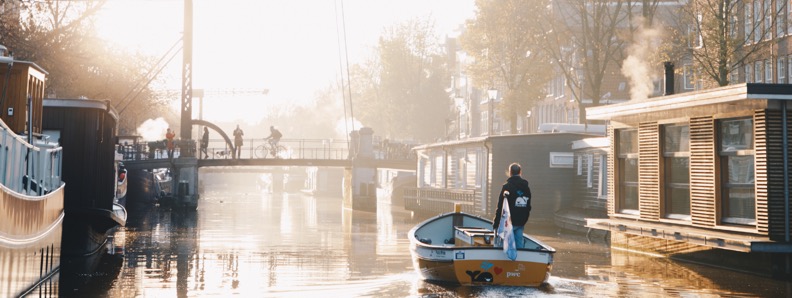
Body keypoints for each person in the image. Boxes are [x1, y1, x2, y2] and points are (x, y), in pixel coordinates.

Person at [492, 162, 532, 249]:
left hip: (508, 222)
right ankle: (519, 261)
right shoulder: (526, 187)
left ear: (510, 172)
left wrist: (496, 223)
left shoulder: (507, 187)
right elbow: (528, 206)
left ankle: (504, 260)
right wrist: (524, 219)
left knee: (504, 245)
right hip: (521, 221)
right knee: (519, 245)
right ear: (520, 172)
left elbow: (500, 207)